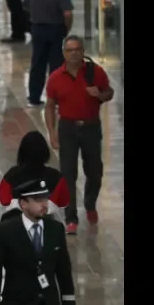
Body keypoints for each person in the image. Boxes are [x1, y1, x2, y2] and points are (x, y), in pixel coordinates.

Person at [44, 35, 113, 234]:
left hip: (91, 127)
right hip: (67, 128)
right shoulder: (56, 77)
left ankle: (90, 204)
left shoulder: (95, 72)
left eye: (77, 49)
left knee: (94, 171)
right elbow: (49, 107)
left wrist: (99, 95)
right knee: (68, 174)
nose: (74, 53)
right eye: (69, 50)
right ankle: (71, 217)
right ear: (64, 53)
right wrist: (52, 133)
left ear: (83, 51)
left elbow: (109, 92)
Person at [23, 0, 73, 106]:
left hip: (38, 29)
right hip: (55, 30)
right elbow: (68, 13)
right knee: (56, 65)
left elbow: (25, 7)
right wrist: (66, 29)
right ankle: (56, 97)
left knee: (37, 63)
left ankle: (34, 96)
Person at [0, 131, 69, 221]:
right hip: (46, 221)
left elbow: (4, 199)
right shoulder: (56, 177)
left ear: (22, 152)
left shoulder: (12, 174)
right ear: (45, 152)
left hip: (16, 220)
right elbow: (64, 202)